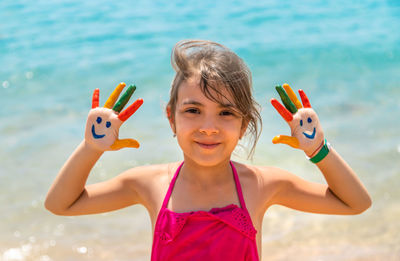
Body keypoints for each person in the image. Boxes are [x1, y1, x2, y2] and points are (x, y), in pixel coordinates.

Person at [45, 40, 371, 261]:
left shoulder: (260, 185)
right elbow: (61, 204)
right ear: (170, 117)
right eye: (193, 110)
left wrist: (318, 151)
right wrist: (90, 148)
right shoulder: (149, 183)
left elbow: (355, 202)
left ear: (244, 125)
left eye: (226, 113)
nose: (209, 127)